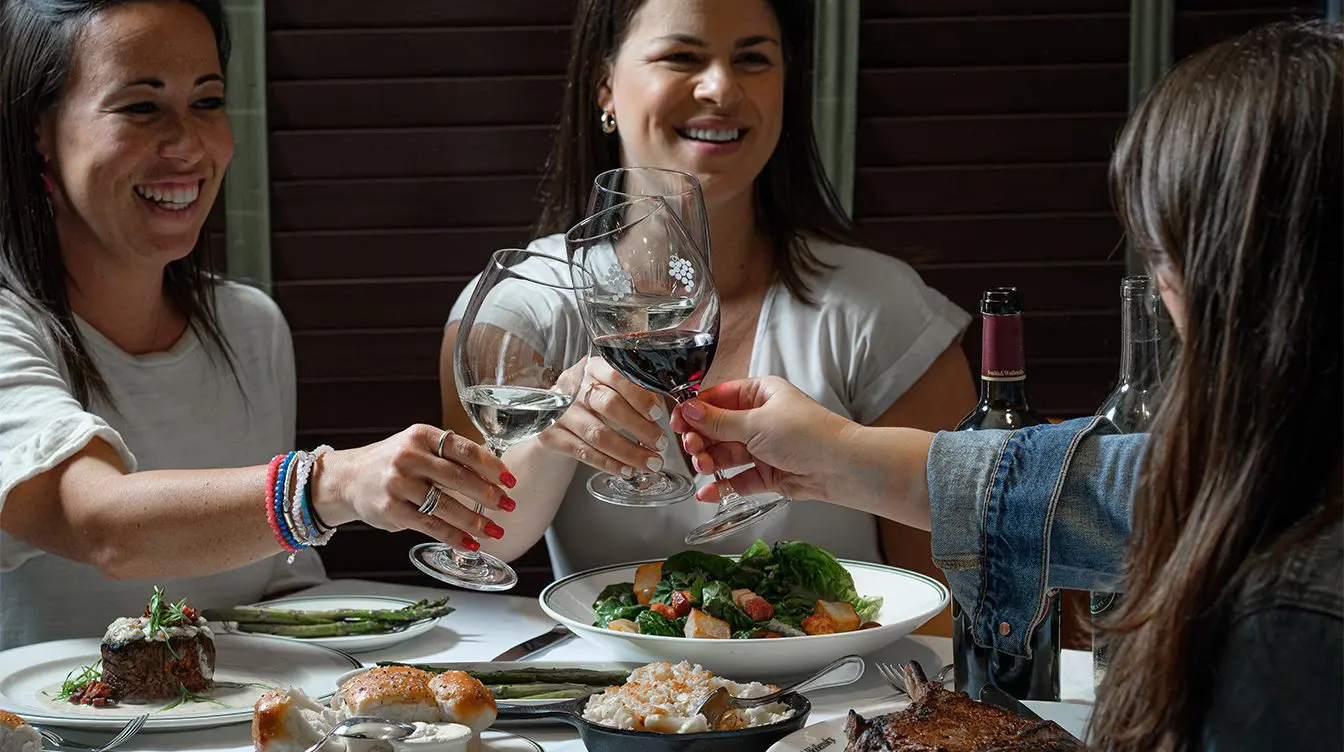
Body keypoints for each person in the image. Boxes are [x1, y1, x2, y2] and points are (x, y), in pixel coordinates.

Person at [671, 19, 1342, 752]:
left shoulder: (1291, 620)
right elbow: (1138, 489)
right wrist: (837, 454)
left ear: (1240, 278)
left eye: (1161, 250)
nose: (1160, 285)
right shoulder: (1298, 477)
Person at [0, 0, 514, 651]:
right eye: (141, 107)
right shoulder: (10, 330)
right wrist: (330, 483)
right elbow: (102, 525)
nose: (188, 144)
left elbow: (276, 592)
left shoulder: (249, 327)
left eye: (207, 102)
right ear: (35, 129)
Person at [439, 0, 975, 577]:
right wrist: (549, 440)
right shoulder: (520, 303)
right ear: (604, 88)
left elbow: (950, 599)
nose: (721, 87)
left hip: (846, 669)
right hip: (613, 672)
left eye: (752, 59)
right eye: (681, 56)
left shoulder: (882, 311)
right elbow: (477, 541)